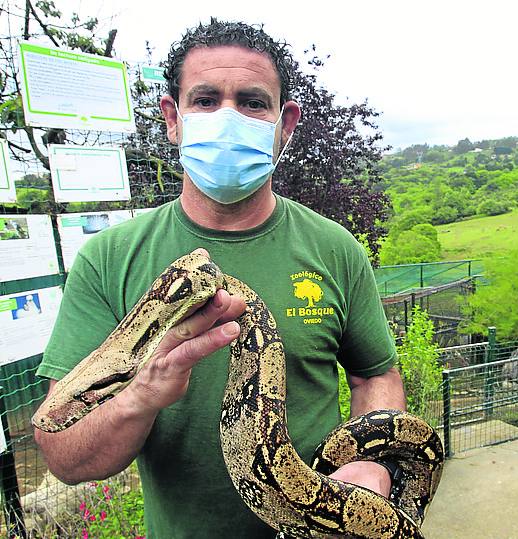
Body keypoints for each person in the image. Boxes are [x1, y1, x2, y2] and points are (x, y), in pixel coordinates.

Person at [33, 19, 406, 538]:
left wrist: (373, 465)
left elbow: (376, 376)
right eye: (205, 100)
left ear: (286, 122)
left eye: (253, 102)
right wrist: (141, 395)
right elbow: (64, 453)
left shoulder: (335, 249)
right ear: (173, 117)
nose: (227, 118)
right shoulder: (109, 259)